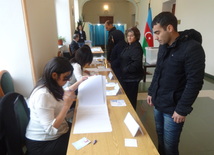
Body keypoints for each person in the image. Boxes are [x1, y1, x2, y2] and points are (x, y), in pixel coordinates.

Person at [147, 12, 205, 155]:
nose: (155, 37)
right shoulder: (163, 46)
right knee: (160, 138)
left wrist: (182, 109)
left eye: (158, 32)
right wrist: (151, 92)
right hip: (158, 102)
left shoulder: (192, 48)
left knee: (170, 146)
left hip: (173, 108)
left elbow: (195, 82)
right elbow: (158, 71)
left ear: (170, 28)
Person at [25, 57, 87, 155]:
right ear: (54, 75)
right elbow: (50, 130)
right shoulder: (43, 95)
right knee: (83, 147)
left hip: (59, 132)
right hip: (43, 143)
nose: (68, 80)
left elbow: (65, 91)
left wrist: (79, 82)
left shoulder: (52, 85)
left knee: (85, 130)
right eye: (66, 77)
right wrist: (66, 106)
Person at [120, 27, 144, 110]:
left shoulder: (136, 48)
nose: (129, 37)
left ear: (136, 36)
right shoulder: (129, 46)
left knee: (131, 101)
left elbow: (136, 64)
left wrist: (125, 69)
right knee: (126, 99)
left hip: (131, 79)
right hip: (126, 77)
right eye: (128, 35)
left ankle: (132, 116)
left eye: (132, 36)